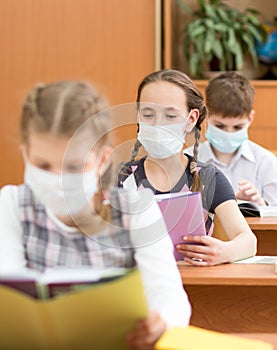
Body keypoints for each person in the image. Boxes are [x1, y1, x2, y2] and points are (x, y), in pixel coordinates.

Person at [0, 80, 191, 349]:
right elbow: (9, 290)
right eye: (43, 164)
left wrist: (162, 322)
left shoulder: (136, 210)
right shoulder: (11, 204)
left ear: (102, 161)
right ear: (26, 156)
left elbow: (169, 295)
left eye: (74, 166)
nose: (58, 180)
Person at [118, 69, 257, 266]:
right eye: (148, 114)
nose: (157, 125)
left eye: (170, 116)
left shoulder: (209, 178)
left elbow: (248, 240)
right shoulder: (119, 178)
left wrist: (224, 251)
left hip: (198, 285)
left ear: (191, 119)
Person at [187, 71, 277, 206]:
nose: (228, 133)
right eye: (220, 126)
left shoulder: (266, 162)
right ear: (206, 116)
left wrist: (260, 203)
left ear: (250, 118)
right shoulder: (188, 159)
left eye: (237, 127)